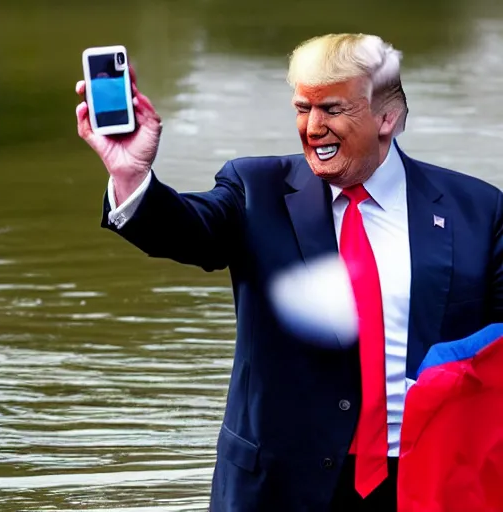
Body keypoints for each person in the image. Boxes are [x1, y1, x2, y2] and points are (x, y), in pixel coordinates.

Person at [75, 33, 503, 511]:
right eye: (303, 108)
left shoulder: (478, 211)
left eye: (333, 110)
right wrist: (131, 176)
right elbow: (185, 232)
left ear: (388, 117)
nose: (313, 127)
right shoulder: (255, 189)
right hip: (281, 486)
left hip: (429, 483)